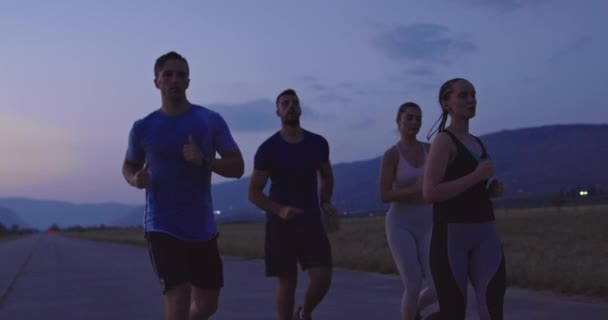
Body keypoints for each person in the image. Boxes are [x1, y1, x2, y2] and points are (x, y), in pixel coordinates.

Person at [122, 51, 245, 320]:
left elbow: (238, 167)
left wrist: (205, 161)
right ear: (157, 82)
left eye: (181, 75)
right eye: (168, 74)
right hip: (162, 226)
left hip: (202, 228)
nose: (174, 80)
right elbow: (129, 165)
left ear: (188, 82)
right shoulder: (142, 128)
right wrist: (135, 179)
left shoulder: (209, 121)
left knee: (207, 304)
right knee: (178, 298)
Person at [247, 88, 338, 320]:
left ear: (300, 108)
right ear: (277, 112)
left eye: (294, 102)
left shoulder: (318, 143)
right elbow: (254, 192)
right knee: (287, 284)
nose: (290, 106)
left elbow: (326, 175)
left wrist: (325, 201)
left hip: (311, 221)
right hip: (281, 225)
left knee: (322, 278)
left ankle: (305, 312)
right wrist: (279, 209)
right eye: (285, 103)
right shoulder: (268, 149)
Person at [422, 78, 506, 320]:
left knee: (492, 306)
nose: (471, 100)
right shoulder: (443, 141)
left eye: (473, 94)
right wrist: (475, 177)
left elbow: (468, 188)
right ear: (446, 103)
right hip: (451, 236)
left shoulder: (478, 142)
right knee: (453, 313)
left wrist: (489, 191)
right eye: (463, 95)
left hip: (485, 232)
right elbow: (430, 192)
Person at [379, 102, 438, 320]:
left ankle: (412, 313)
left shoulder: (430, 150)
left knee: (438, 285)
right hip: (400, 223)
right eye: (409, 118)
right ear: (398, 121)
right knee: (413, 284)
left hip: (428, 221)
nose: (414, 122)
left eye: (418, 119)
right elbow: (384, 195)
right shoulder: (391, 155)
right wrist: (415, 188)